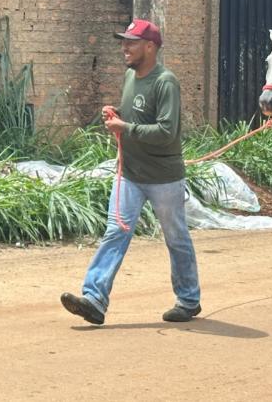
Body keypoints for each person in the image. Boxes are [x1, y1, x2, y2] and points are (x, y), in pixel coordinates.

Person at [61, 19, 201, 325]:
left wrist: (125, 126)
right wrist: (118, 114)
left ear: (150, 47)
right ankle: (94, 299)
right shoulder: (129, 76)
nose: (124, 47)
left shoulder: (166, 82)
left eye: (131, 42)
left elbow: (166, 131)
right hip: (130, 174)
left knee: (176, 237)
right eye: (124, 41)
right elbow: (139, 115)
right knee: (116, 231)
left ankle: (189, 300)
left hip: (164, 178)